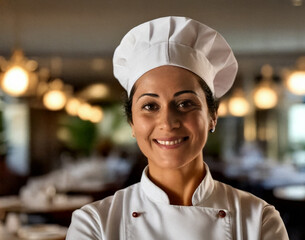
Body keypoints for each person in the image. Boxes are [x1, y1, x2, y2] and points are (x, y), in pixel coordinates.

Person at [66, 16, 289, 240]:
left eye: (185, 103)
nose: (168, 122)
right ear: (132, 123)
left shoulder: (258, 219)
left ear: (212, 116)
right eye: (150, 106)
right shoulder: (94, 224)